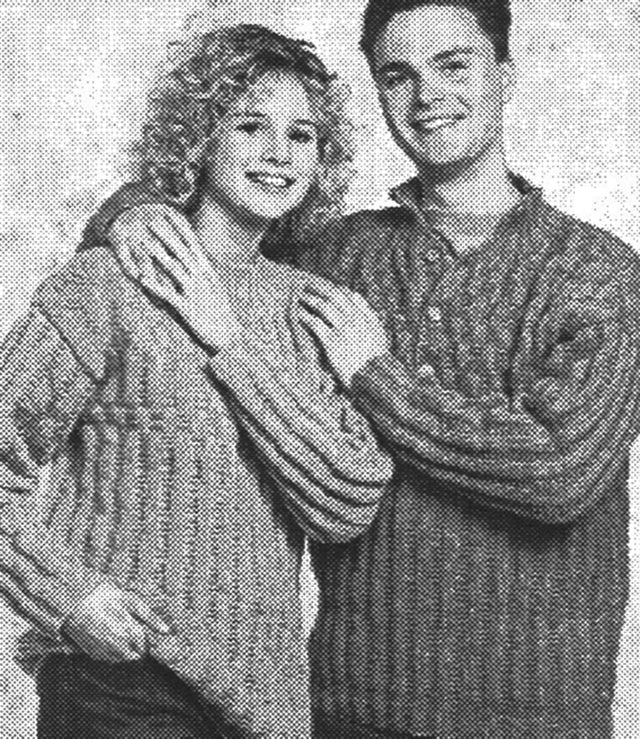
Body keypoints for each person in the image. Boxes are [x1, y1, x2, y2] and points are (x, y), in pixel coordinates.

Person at [81, 1, 640, 737]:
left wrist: (374, 374)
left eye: (453, 66)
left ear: (505, 77)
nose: (426, 95)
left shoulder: (600, 272)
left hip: (535, 714)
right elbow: (216, 237)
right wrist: (128, 212)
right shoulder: (335, 255)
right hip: (350, 704)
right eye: (397, 75)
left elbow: (557, 473)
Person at [0, 23, 393, 739]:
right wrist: (64, 595)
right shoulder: (110, 281)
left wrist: (226, 336)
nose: (279, 153)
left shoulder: (313, 307)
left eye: (302, 135)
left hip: (262, 701)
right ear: (199, 138)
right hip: (121, 682)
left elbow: (347, 501)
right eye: (250, 126)